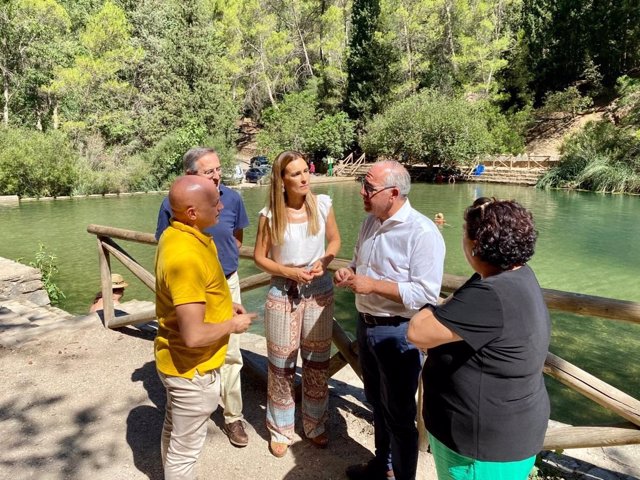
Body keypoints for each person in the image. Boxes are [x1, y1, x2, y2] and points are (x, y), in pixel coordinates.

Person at [407, 198, 550, 480]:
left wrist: (429, 308)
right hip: (505, 431)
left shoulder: (489, 296)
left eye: (464, 233)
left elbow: (417, 332)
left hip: (480, 445)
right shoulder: (517, 275)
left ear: (474, 245)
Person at [334, 161, 445, 480]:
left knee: (399, 415)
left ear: (393, 193)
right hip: (365, 325)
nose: (362, 192)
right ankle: (382, 466)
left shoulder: (423, 232)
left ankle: (402, 475)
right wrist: (350, 273)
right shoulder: (370, 222)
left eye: (369, 187)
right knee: (376, 404)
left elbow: (426, 293)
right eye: (364, 185)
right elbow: (358, 263)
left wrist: (372, 285)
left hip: (400, 333)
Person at [155, 175, 256, 480]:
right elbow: (194, 334)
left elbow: (200, 295)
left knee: (174, 431)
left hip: (177, 365)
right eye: (214, 203)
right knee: (186, 450)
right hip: (192, 371)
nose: (222, 206)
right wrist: (233, 324)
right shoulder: (186, 256)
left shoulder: (179, 235)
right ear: (192, 213)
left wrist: (226, 305)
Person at [253, 150, 341, 458]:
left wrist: (324, 260)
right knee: (281, 364)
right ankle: (281, 428)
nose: (304, 178)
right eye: (296, 173)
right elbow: (260, 257)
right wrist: (289, 271)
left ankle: (315, 424)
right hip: (282, 289)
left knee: (317, 362)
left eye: (306, 171)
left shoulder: (323, 204)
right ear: (282, 180)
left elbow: (334, 241)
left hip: (319, 288)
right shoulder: (269, 214)